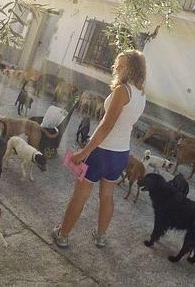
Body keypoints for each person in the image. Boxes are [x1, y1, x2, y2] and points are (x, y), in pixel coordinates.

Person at [52, 50, 147, 248]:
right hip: (121, 154)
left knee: (80, 195)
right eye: (117, 65)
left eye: (122, 66)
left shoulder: (123, 91)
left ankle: (62, 234)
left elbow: (106, 125)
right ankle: (100, 237)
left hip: (101, 151)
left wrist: (84, 151)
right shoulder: (141, 94)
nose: (117, 69)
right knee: (107, 196)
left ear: (133, 69)